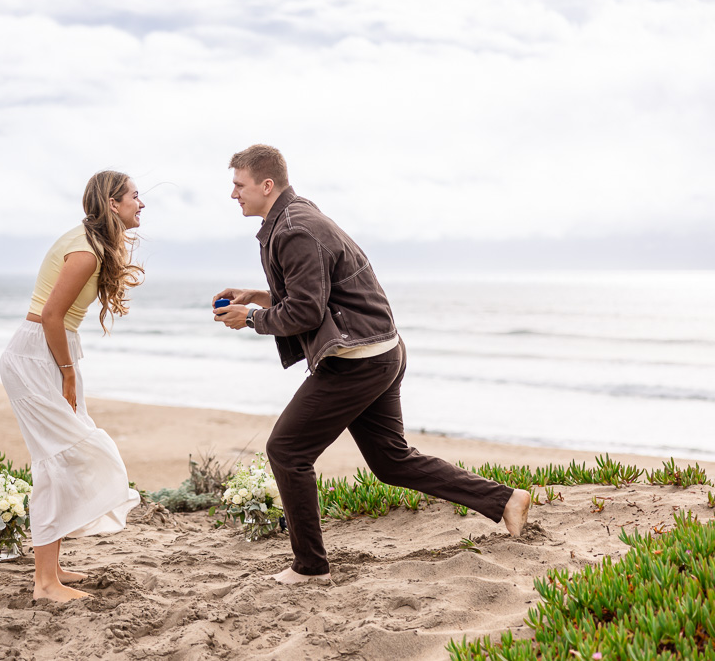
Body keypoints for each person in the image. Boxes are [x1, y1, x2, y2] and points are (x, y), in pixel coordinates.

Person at [213, 144, 531, 584]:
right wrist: (261, 297)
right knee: (391, 461)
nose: (233, 194)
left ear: (267, 185)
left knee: (287, 451)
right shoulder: (296, 216)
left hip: (357, 361)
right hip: (381, 351)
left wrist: (251, 319)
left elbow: (305, 313)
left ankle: (310, 567)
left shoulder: (294, 229)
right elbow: (319, 295)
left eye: (238, 185)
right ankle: (505, 500)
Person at [0, 170, 145, 602]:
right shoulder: (84, 252)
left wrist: (67, 367)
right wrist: (65, 371)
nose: (141, 204)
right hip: (37, 357)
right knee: (58, 460)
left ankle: (53, 567)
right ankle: (44, 584)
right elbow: (50, 316)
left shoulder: (92, 245)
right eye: (135, 197)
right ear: (113, 204)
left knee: (60, 460)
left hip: (52, 353)